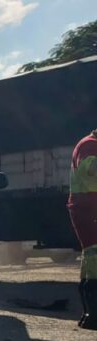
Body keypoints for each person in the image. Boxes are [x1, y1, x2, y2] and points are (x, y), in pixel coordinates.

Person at [69, 129, 97, 330]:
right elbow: (90, 168)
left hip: (88, 207)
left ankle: (90, 314)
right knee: (94, 255)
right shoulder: (89, 145)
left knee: (92, 256)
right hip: (88, 208)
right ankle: (92, 314)